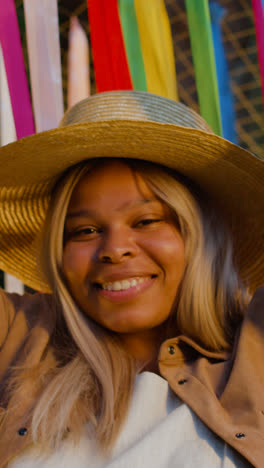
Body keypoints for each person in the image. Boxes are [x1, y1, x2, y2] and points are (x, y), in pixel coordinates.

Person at [0, 91, 263, 468]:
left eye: (146, 221)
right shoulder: (22, 335)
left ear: (202, 234)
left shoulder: (255, 344)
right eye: (84, 230)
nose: (114, 249)